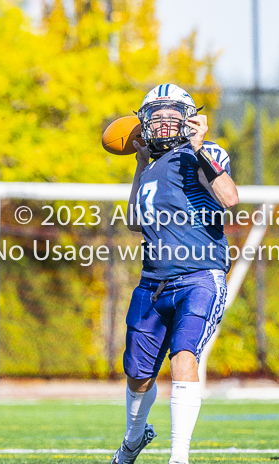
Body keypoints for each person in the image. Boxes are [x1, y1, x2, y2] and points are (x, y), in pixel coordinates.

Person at [110, 84, 238, 464]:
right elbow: (134, 221)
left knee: (184, 355)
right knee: (137, 374)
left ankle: (178, 457)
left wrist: (199, 147)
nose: (165, 124)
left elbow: (230, 198)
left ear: (188, 118)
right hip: (153, 281)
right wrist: (138, 166)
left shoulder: (203, 151)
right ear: (145, 122)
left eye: (172, 116)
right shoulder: (148, 165)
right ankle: (134, 439)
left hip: (200, 275)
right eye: (157, 116)